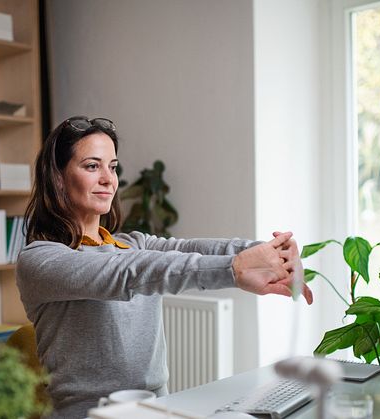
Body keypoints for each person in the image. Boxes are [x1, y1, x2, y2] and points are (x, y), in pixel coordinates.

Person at [16, 116, 312, 418]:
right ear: (58, 178)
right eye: (92, 166)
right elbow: (128, 273)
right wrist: (235, 269)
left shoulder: (132, 243)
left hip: (158, 408)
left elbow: (188, 249)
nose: (109, 179)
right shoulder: (40, 260)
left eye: (113, 167)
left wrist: (266, 252)